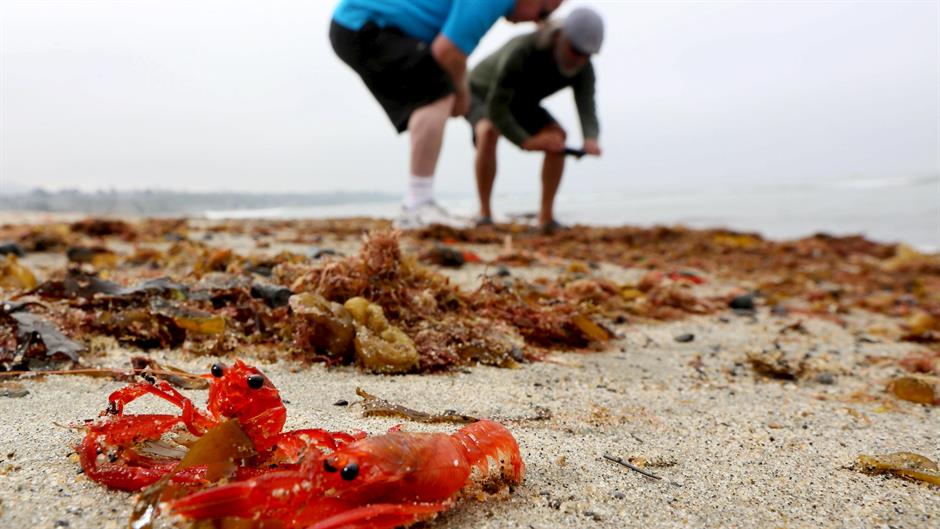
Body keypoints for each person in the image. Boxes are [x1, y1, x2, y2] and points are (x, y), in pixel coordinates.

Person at [329, 0, 565, 228]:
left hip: (360, 24)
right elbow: (448, 52)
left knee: (435, 88)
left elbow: (446, 52)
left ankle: (418, 202)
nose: (537, 22)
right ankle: (417, 204)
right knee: (436, 94)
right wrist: (462, 96)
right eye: (544, 13)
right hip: (362, 23)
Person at [467, 7, 603, 234]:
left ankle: (546, 218)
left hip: (522, 99)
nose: (579, 59)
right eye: (575, 51)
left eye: (587, 55)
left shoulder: (582, 67)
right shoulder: (524, 50)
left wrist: (591, 137)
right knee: (488, 131)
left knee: (557, 138)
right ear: (560, 37)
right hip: (482, 92)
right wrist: (525, 141)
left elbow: (586, 104)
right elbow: (497, 107)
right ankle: (484, 214)